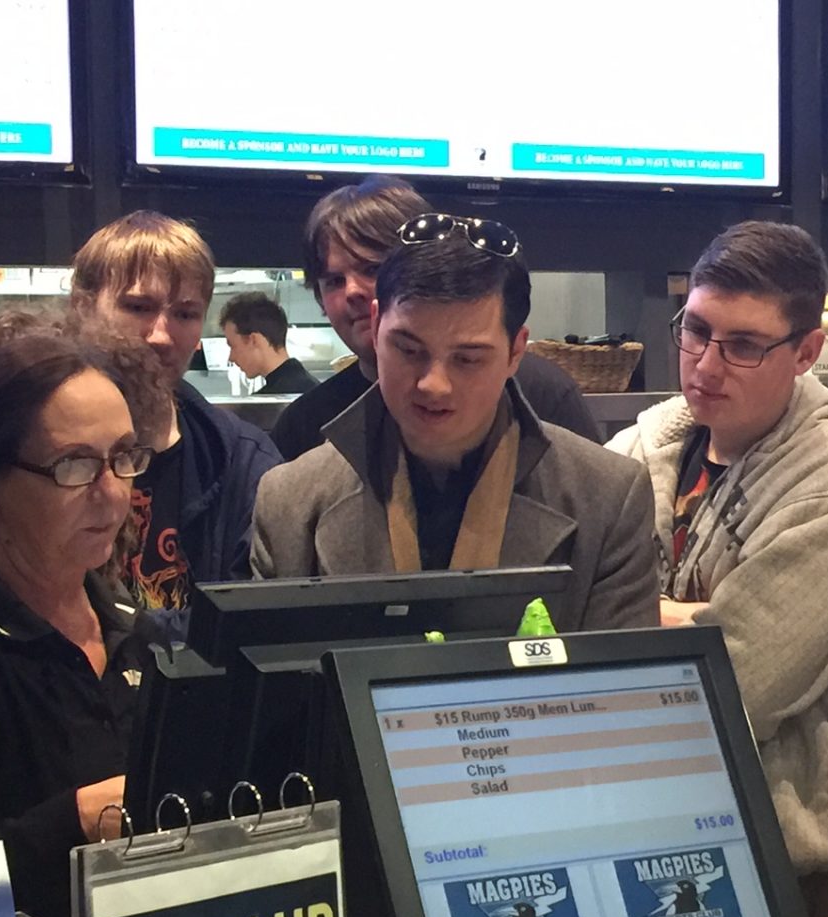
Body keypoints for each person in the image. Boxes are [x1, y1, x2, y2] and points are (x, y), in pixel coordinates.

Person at [607, 221, 828, 917]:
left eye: (742, 346)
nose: (705, 365)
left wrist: (636, 616)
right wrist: (691, 619)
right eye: (696, 331)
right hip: (633, 842)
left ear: (806, 352)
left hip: (773, 875)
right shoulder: (647, 444)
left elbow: (734, 684)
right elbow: (563, 607)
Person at [251, 213, 659, 633]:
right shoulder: (290, 503)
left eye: (467, 359)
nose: (434, 385)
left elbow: (626, 674)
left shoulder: (607, 498)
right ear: (375, 327)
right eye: (409, 350)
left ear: (515, 352)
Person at [0, 331, 152, 917]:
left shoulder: (138, 630)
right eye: (75, 465)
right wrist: (70, 822)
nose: (112, 494)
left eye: (124, 458)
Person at [268, 176, 600, 460]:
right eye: (333, 281)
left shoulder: (543, 394)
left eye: (372, 269)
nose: (352, 291)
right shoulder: (303, 426)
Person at [69, 210, 281, 639]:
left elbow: (252, 623)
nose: (161, 336)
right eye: (137, 307)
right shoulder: (28, 449)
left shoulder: (244, 462)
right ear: (83, 307)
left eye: (184, 314)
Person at [218, 291, 319, 395]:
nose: (231, 358)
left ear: (253, 340)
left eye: (233, 346)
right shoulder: (314, 388)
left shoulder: (270, 400)